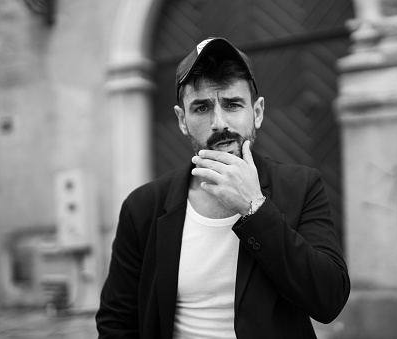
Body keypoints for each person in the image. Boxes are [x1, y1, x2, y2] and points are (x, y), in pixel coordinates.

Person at [96, 37, 350, 339]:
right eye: (202, 108)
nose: (219, 122)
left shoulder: (301, 186)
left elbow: (329, 300)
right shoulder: (143, 207)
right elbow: (117, 323)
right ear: (182, 120)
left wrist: (255, 207)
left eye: (232, 104)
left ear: (256, 112)